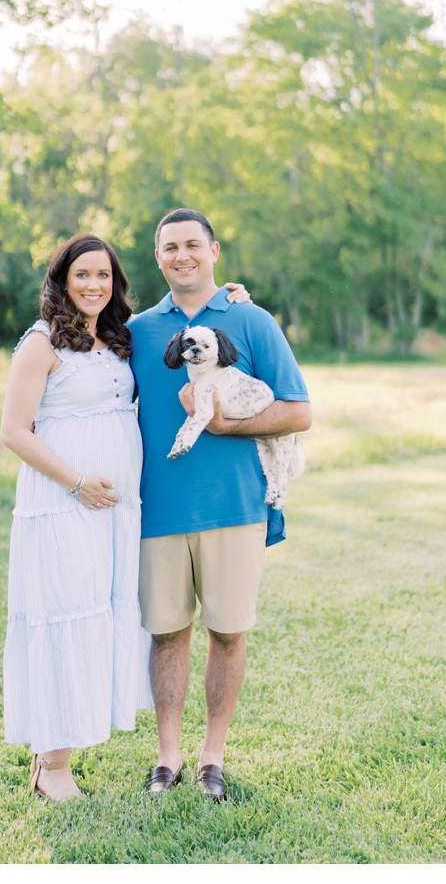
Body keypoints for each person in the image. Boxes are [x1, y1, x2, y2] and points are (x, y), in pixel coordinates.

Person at [0, 233, 250, 801]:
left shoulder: (119, 337)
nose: (93, 285)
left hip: (116, 508)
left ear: (116, 284)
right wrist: (76, 482)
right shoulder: (40, 343)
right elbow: (13, 430)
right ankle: (52, 764)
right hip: (64, 500)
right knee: (62, 612)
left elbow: (188, 332)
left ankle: (62, 751)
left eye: (103, 276)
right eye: (82, 275)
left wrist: (230, 295)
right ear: (61, 280)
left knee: (95, 614)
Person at [128, 208, 311, 801]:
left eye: (192, 245)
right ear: (157, 258)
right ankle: (167, 757)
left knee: (228, 634)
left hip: (234, 508)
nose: (181, 256)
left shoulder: (251, 321)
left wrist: (223, 425)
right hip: (156, 509)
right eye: (169, 247)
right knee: (166, 634)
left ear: (213, 250)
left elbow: (298, 410)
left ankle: (212, 758)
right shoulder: (136, 331)